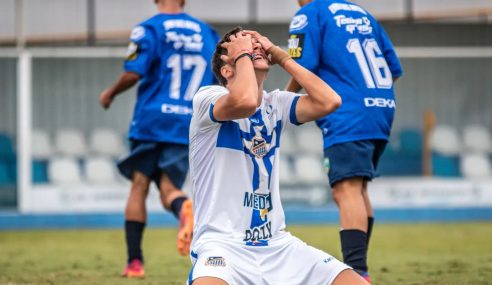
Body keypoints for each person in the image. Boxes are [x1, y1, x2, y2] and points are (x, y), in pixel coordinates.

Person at [187, 27, 369, 285]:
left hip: (278, 245)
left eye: (256, 45)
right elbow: (246, 101)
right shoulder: (208, 98)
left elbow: (330, 101)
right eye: (244, 47)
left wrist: (282, 57)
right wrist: (243, 55)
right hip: (223, 246)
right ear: (227, 70)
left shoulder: (277, 104)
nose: (254, 48)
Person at [98, 0, 219, 278]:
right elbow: (220, 78)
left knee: (139, 185)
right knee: (168, 189)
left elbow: (134, 71)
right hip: (188, 121)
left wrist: (111, 92)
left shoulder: (148, 29)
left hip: (152, 120)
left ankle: (135, 263)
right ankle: (183, 207)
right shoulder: (207, 33)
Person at [286, 0, 403, 282]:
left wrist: (280, 104)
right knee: (358, 189)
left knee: (345, 190)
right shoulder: (363, 13)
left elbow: (301, 67)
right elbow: (394, 69)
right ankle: (359, 269)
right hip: (380, 109)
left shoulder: (308, 14)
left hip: (347, 112)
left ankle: (358, 274)